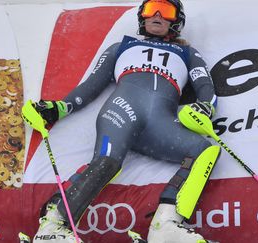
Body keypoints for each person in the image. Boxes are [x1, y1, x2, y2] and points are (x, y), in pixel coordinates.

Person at [25, 0, 221, 242]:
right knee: (107, 161)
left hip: (160, 125)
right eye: (151, 9)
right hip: (122, 110)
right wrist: (59, 108)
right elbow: (91, 85)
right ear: (142, 16)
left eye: (166, 10)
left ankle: (166, 226)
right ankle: (53, 226)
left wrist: (205, 108)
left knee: (205, 151)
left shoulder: (187, 52)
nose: (157, 15)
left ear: (176, 20)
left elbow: (205, 86)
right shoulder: (122, 46)